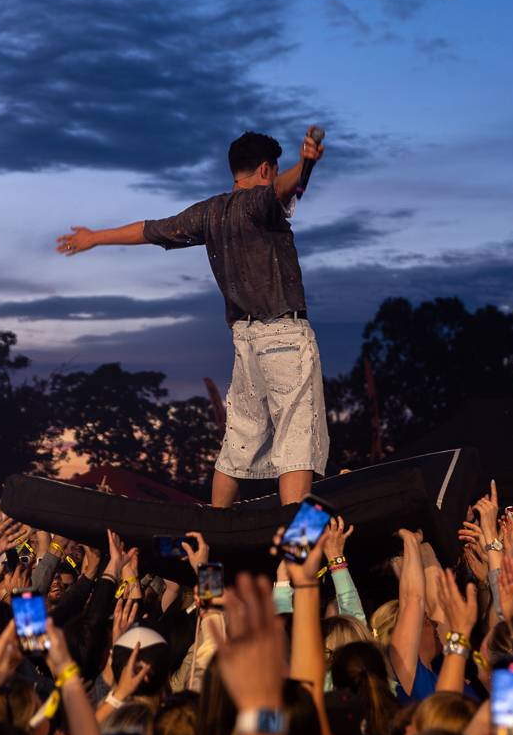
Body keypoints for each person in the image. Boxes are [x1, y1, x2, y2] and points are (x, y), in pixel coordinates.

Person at [56, 128, 329, 508]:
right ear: (265, 169)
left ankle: (211, 548)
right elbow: (283, 190)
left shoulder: (209, 213)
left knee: (238, 447)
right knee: (298, 448)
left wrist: (95, 237)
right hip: (284, 337)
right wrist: (307, 164)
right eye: (275, 169)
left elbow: (149, 230)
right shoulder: (258, 202)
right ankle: (299, 557)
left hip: (246, 345)